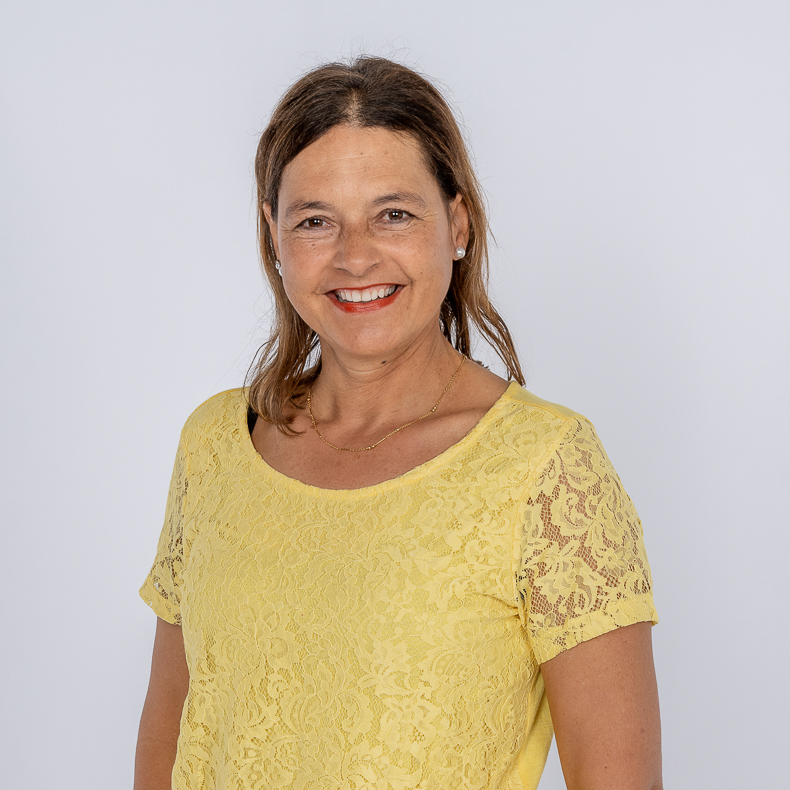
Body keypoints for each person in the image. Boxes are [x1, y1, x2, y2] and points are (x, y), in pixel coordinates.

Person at [135, 56, 662, 790]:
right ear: (274, 236)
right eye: (315, 221)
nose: (355, 257)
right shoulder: (215, 445)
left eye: (393, 214)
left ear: (457, 223)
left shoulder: (546, 470)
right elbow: (169, 742)